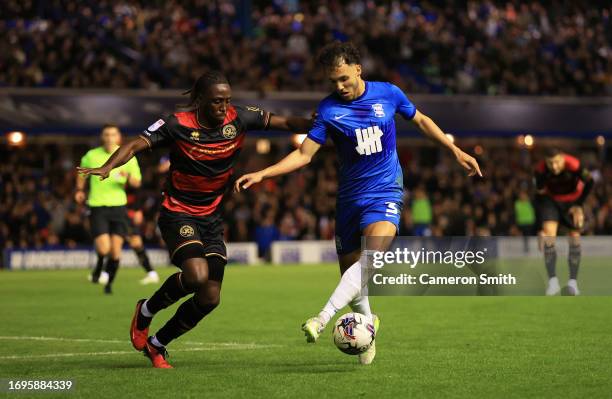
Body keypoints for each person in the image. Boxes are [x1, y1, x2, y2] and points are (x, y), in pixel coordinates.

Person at [235, 41, 482, 364]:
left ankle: (321, 319)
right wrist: (264, 173)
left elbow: (420, 120)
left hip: (385, 192)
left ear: (357, 70)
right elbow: (304, 154)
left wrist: (455, 150)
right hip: (350, 199)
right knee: (353, 277)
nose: (339, 87)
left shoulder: (389, 94)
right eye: (332, 82)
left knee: (370, 259)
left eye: (343, 79)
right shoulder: (328, 110)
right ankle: (369, 331)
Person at [77, 71, 312, 368]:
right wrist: (108, 166)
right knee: (197, 275)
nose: (222, 107)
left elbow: (286, 123)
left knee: (210, 298)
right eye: (216, 101)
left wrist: (317, 122)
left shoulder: (238, 118)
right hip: (178, 211)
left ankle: (157, 344)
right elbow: (136, 144)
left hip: (211, 216)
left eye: (227, 100)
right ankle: (146, 310)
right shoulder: (177, 123)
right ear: (200, 100)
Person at [76, 124, 142, 294]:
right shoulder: (92, 155)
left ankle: (108, 284)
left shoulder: (127, 156)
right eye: (106, 134)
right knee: (104, 248)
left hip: (119, 207)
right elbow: (82, 174)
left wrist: (127, 177)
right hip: (97, 206)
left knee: (115, 253)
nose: (110, 137)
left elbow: (137, 182)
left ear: (118, 137)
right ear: (102, 137)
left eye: (113, 134)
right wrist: (79, 190)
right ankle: (99, 266)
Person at [535, 148, 593, 296]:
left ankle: (573, 283)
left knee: (574, 239)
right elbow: (539, 194)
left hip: (573, 201)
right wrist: (539, 227)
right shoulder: (540, 170)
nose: (554, 167)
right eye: (550, 163)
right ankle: (552, 283)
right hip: (551, 201)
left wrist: (579, 205)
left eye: (556, 162)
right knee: (548, 237)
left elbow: (590, 181)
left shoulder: (574, 164)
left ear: (563, 158)